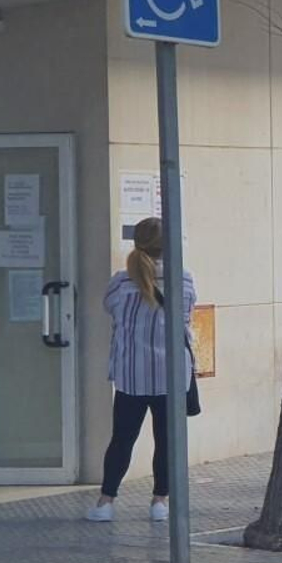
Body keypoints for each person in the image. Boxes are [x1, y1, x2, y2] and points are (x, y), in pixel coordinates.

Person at [88, 216, 196, 523]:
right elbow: (187, 316)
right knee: (166, 441)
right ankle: (160, 501)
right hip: (171, 376)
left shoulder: (121, 282)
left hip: (131, 375)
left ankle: (106, 502)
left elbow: (109, 309)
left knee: (122, 440)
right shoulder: (184, 279)